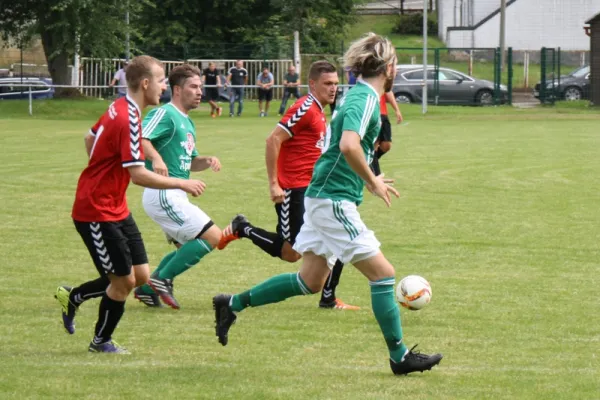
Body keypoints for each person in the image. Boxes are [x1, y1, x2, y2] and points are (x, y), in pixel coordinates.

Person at [212, 33, 443, 375]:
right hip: (333, 200)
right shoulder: (364, 99)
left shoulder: (358, 96)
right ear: (389, 67)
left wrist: (367, 179)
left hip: (323, 196)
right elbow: (349, 146)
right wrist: (373, 180)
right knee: (383, 276)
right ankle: (400, 357)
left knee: (311, 281)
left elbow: (343, 149)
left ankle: (231, 303)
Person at [54, 56, 205, 353]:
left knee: (141, 277)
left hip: (115, 206)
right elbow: (138, 175)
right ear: (146, 83)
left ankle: (74, 297)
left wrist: (103, 171)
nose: (164, 86)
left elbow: (90, 137)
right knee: (122, 282)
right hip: (96, 211)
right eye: (161, 80)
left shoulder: (121, 107)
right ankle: (101, 341)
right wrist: (182, 182)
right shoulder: (128, 119)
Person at [218, 60, 359, 310]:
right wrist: (274, 184)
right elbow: (273, 139)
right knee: (291, 253)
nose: (333, 88)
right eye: (328, 83)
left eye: (336, 83)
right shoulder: (305, 107)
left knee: (336, 236)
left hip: (314, 190)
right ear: (312, 84)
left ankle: (328, 297)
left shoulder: (320, 111)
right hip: (293, 190)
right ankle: (243, 228)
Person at [133, 64, 223, 309]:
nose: (199, 92)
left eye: (201, 87)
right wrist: (156, 158)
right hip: (163, 193)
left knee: (187, 247)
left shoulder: (187, 122)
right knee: (213, 236)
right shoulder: (165, 114)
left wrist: (206, 160)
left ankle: (145, 289)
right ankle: (160, 280)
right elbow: (141, 138)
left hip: (175, 194)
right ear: (176, 90)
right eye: (193, 87)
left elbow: (189, 162)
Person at [370, 91, 402, 176]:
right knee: (375, 146)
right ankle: (377, 177)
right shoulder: (377, 78)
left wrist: (397, 110)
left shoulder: (387, 80)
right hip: (374, 114)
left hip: (383, 114)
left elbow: (388, 92)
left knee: (386, 145)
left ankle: (368, 161)